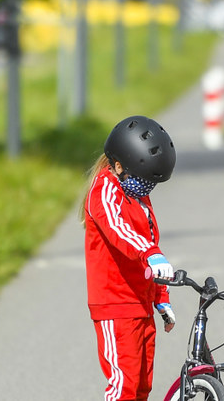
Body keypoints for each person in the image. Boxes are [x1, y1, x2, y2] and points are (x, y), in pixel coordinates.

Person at [82, 115, 178, 401]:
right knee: (122, 386)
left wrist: (161, 296)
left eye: (152, 185)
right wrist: (151, 254)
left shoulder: (137, 195)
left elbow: (150, 242)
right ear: (119, 166)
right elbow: (119, 231)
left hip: (141, 303)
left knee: (141, 387)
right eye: (143, 182)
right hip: (116, 304)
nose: (147, 190)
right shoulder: (104, 191)